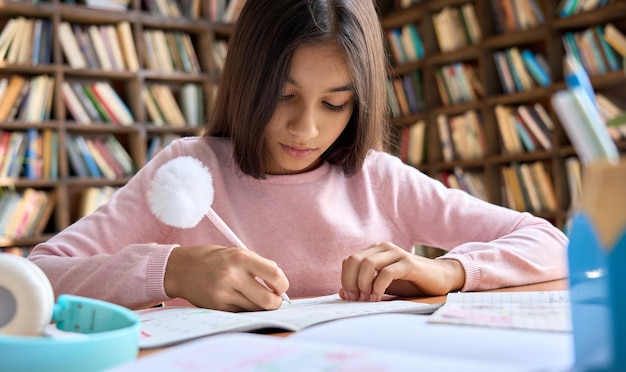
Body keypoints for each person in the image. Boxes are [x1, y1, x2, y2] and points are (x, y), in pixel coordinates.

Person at [29, 0, 568, 312]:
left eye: (335, 104)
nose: (306, 128)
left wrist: (447, 270)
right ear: (247, 82)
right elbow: (39, 275)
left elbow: (552, 245)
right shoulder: (188, 170)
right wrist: (169, 270)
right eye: (284, 96)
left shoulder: (377, 179)